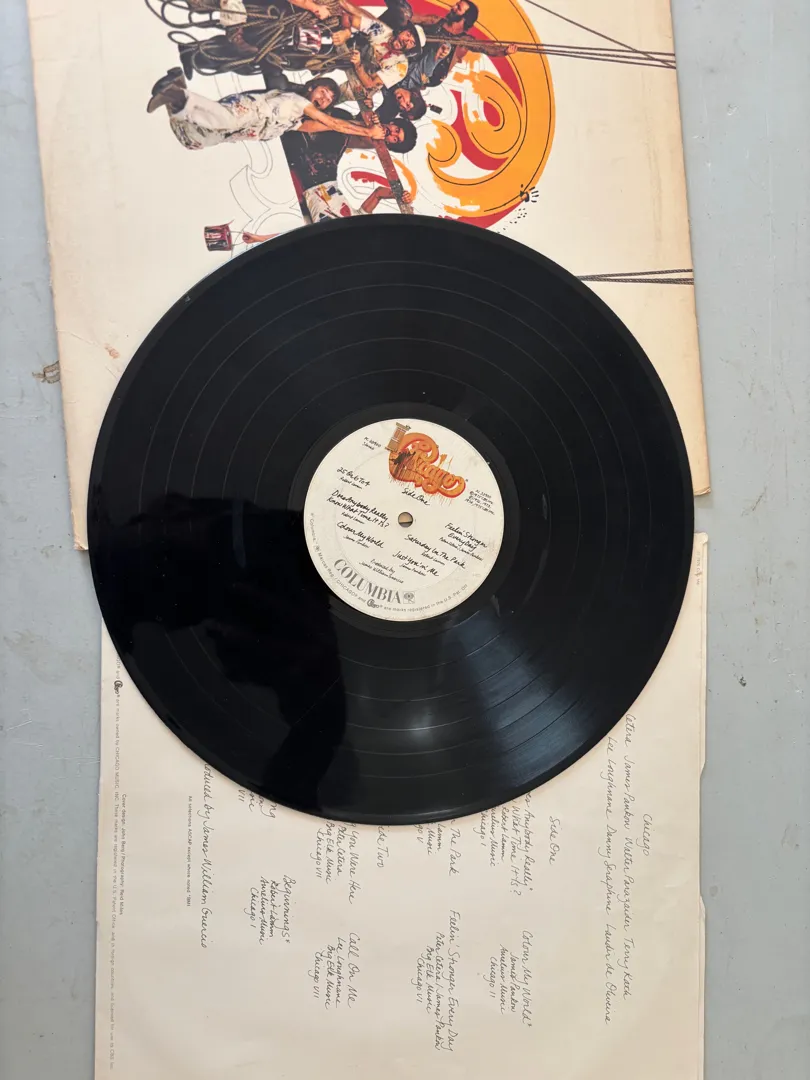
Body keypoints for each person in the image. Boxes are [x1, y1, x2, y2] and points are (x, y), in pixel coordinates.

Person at [147, 69, 384, 150]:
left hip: (241, 130)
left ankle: (174, 88)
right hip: (249, 110)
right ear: (312, 87)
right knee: (227, 120)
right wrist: (368, 132)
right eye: (323, 91)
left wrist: (364, 125)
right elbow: (332, 123)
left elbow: (328, 127)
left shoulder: (296, 121)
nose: (325, 99)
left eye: (330, 99)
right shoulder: (297, 100)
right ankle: (177, 94)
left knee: (193, 141)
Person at [281, 111, 416, 221]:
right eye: (396, 130)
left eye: (395, 138)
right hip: (324, 176)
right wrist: (400, 194)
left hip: (307, 184)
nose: (392, 133)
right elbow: (379, 193)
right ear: (392, 123)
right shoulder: (358, 220)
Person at [413, 0, 516, 87]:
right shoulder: (435, 21)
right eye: (456, 5)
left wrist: (505, 51)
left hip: (431, 77)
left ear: (465, 18)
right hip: (414, 66)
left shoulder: (464, 40)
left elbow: (486, 48)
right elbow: (411, 17)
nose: (453, 7)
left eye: (458, 8)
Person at [337, 0, 424, 94]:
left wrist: (358, 65)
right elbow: (349, 18)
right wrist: (346, 32)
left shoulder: (400, 67)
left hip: (361, 82)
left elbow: (370, 84)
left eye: (412, 42)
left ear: (412, 50)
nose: (406, 41)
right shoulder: (381, 30)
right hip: (348, 55)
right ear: (402, 31)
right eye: (408, 35)